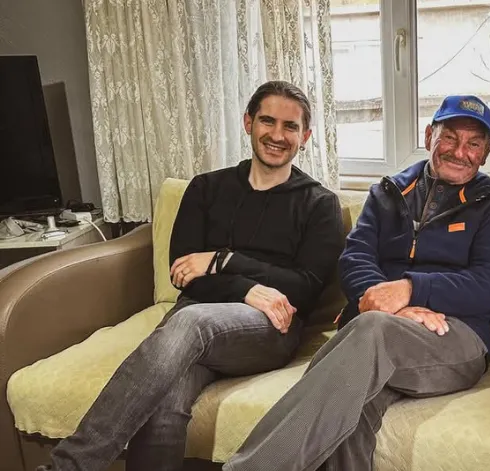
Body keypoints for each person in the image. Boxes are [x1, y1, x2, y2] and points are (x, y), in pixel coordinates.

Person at [39, 81, 345, 471]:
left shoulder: (319, 204)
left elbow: (304, 289)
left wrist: (224, 260)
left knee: (190, 320)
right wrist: (251, 289)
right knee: (165, 403)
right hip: (193, 321)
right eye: (268, 121)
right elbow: (183, 273)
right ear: (248, 123)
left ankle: (69, 466)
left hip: (269, 330)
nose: (277, 135)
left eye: (290, 127)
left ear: (305, 137)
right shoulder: (206, 188)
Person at [224, 95, 490, 471]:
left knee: (371, 332)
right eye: (450, 137)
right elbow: (355, 258)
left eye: (474, 143)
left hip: (455, 337)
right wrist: (391, 306)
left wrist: (409, 289)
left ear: (486, 152)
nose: (460, 152)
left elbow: (488, 284)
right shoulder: (388, 192)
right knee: (351, 407)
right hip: (375, 332)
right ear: (429, 136)